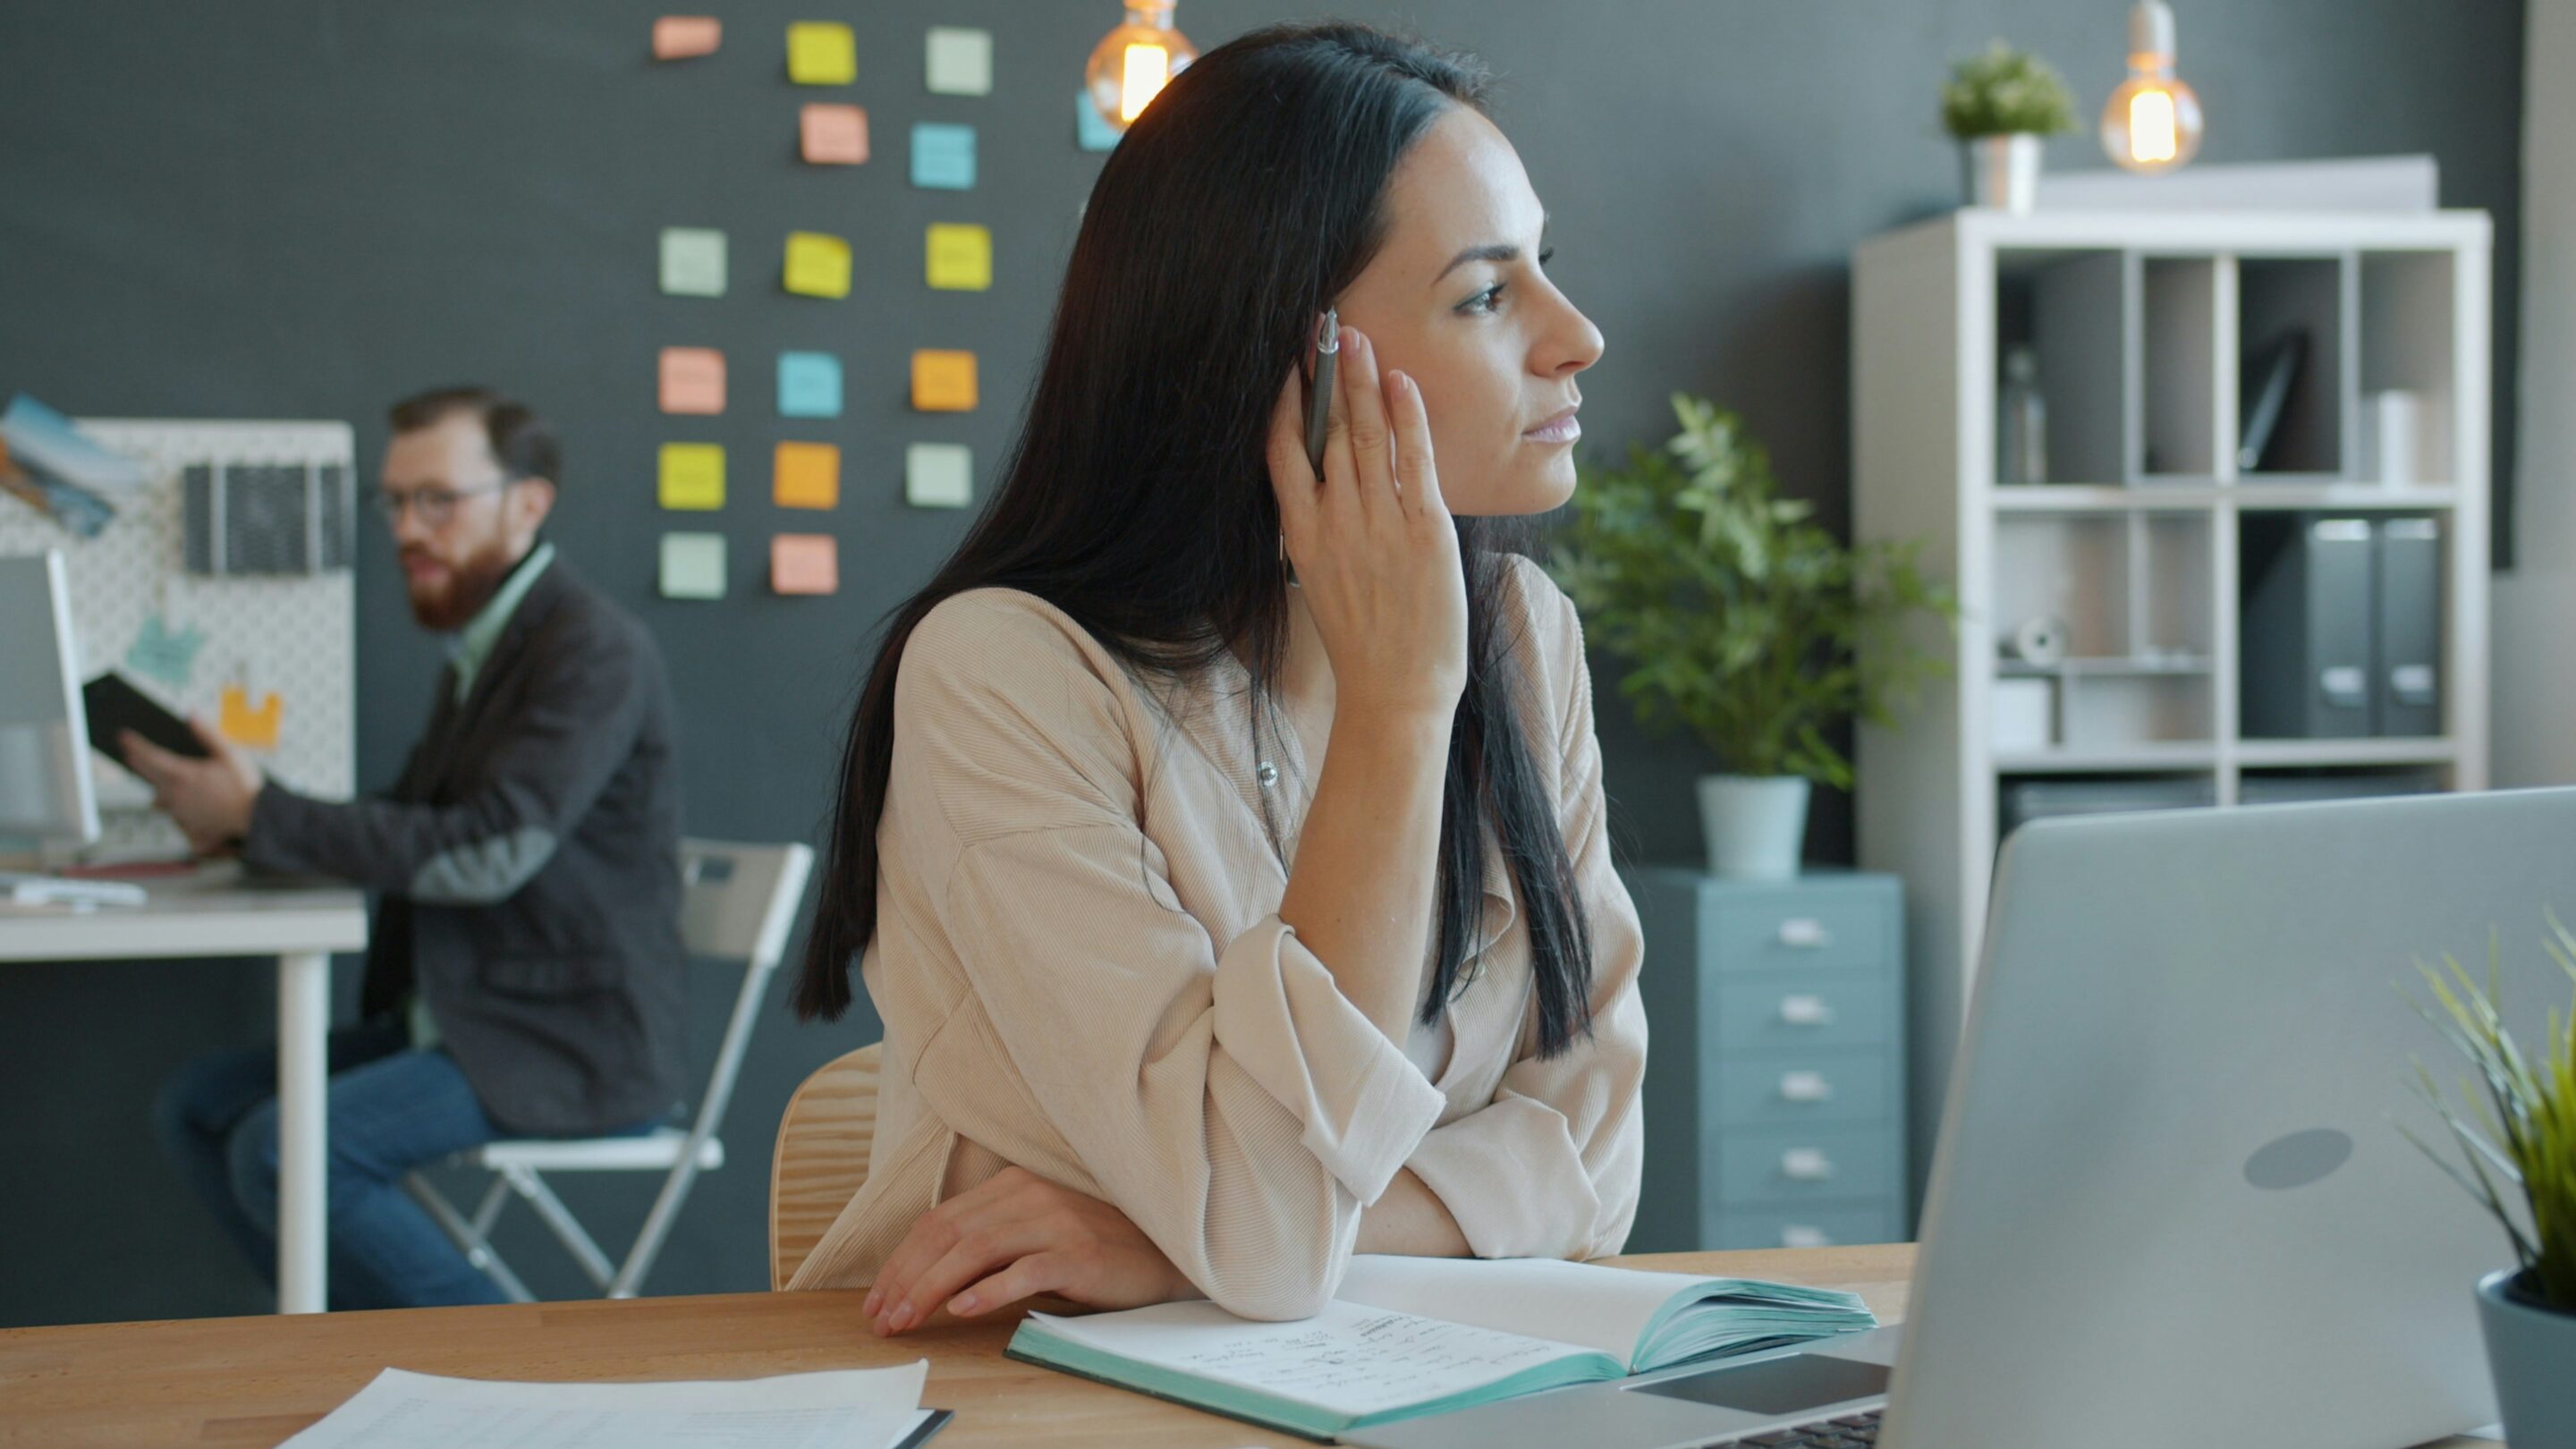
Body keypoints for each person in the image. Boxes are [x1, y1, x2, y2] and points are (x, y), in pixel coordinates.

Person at [787, 21, 1644, 1333]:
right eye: (1485, 294)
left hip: (1399, 1385)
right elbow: (1268, 1230)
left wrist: (1174, 1245)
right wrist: (1401, 711)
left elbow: (1594, 1162)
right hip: (1027, 1393)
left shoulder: (1523, 635)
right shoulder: (1007, 672)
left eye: (1549, 269)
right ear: (1291, 364)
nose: (1576, 336)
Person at [125, 387, 688, 1309]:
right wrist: (239, 821)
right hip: (465, 1016)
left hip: (559, 1043)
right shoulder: (487, 648)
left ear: (528, 502)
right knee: (198, 1105)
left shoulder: (591, 650)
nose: (406, 529)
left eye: (437, 500)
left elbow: (487, 850)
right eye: (394, 502)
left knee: (283, 1148)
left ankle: (511, 1373)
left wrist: (263, 810)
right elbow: (407, 820)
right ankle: (363, 1352)